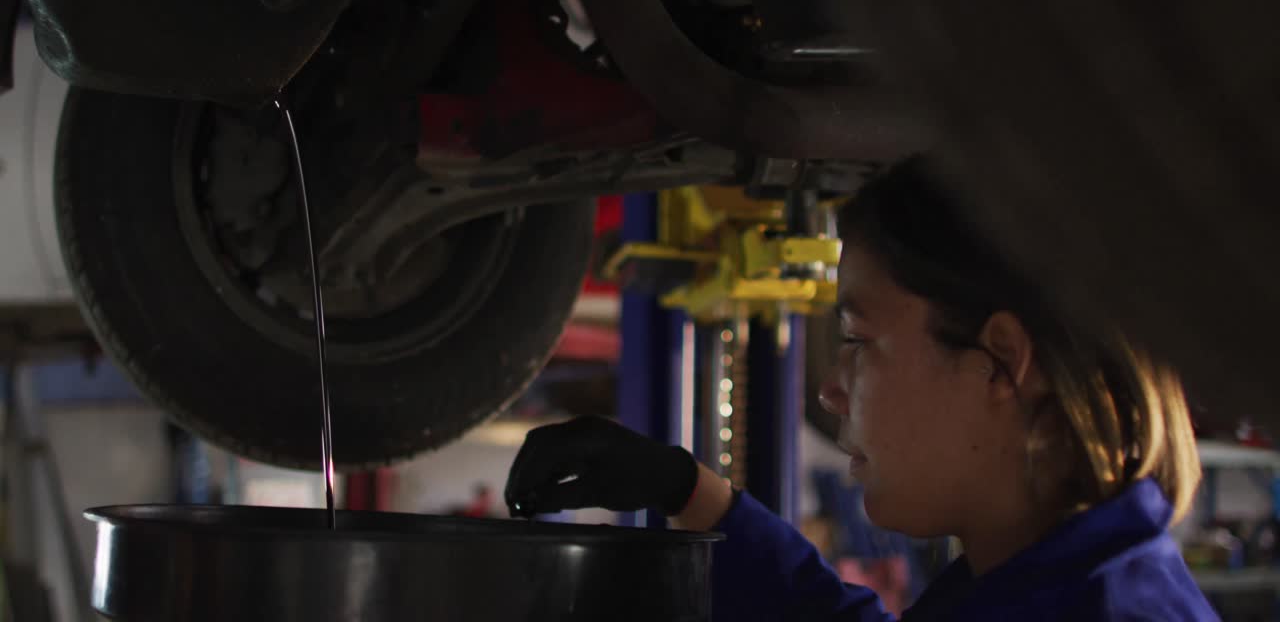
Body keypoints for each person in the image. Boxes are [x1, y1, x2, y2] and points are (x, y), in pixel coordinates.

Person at [504, 156, 1217, 621]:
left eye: (858, 341)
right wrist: (685, 490)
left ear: (999, 361)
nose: (831, 392)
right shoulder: (1050, 582)